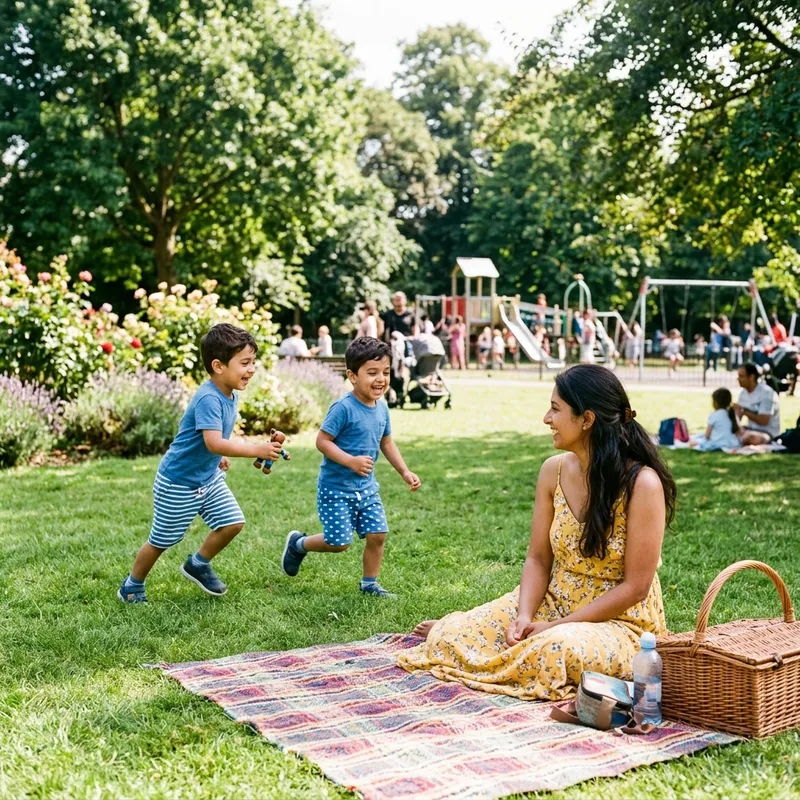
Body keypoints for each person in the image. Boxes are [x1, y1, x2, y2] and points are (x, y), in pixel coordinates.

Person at [400, 365, 675, 700]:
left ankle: (499, 653)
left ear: (586, 419)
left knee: (553, 651)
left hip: (619, 623)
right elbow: (538, 559)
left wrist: (556, 627)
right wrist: (524, 616)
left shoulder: (642, 484)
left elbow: (636, 588)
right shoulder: (553, 471)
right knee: (448, 638)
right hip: (551, 602)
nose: (547, 418)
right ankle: (483, 642)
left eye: (556, 409)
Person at [117, 324, 285, 603]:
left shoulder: (230, 394)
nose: (252, 369)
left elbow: (214, 438)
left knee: (233, 522)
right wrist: (255, 448)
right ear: (218, 366)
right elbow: (212, 442)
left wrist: (220, 455)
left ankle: (198, 563)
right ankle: (132, 585)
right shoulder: (208, 397)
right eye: (245, 363)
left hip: (208, 479)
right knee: (161, 541)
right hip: (179, 483)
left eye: (252, 362)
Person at [280, 337, 421, 598]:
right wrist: (350, 461)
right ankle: (298, 544)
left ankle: (370, 584)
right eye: (372, 373)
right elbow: (322, 442)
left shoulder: (382, 408)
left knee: (378, 533)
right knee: (339, 543)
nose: (381, 379)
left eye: (386, 372)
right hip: (336, 489)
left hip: (366, 489)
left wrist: (404, 471)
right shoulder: (343, 408)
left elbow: (386, 442)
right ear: (352, 376)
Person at [735, 363, 781, 445]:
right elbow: (738, 419)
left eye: (741, 376)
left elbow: (764, 421)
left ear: (751, 377)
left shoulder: (766, 393)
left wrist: (743, 411)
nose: (738, 379)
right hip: (750, 429)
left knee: (750, 438)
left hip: (767, 432)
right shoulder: (743, 393)